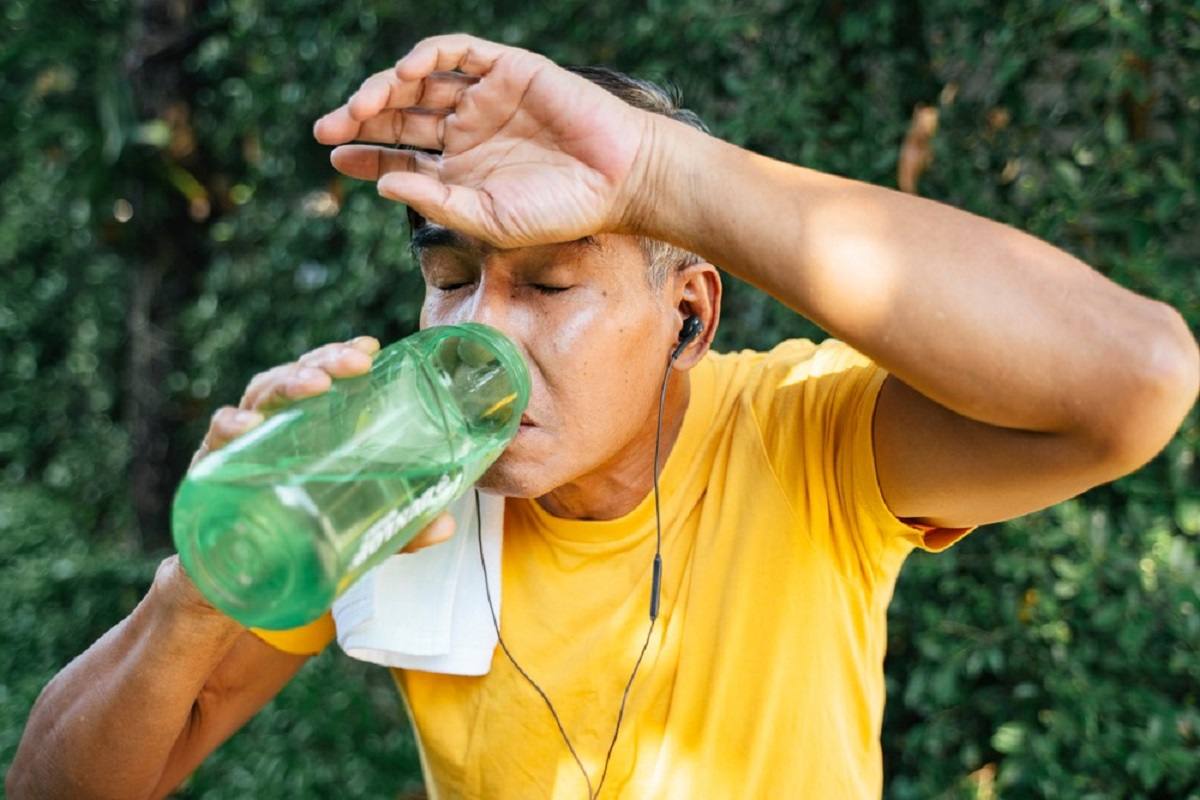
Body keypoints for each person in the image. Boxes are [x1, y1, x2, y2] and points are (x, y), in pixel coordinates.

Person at [8, 33, 1198, 800]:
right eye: (451, 277)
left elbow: (1137, 379)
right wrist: (193, 593)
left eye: (551, 282)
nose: (484, 331)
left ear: (688, 316)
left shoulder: (801, 437)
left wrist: (660, 172)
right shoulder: (390, 478)